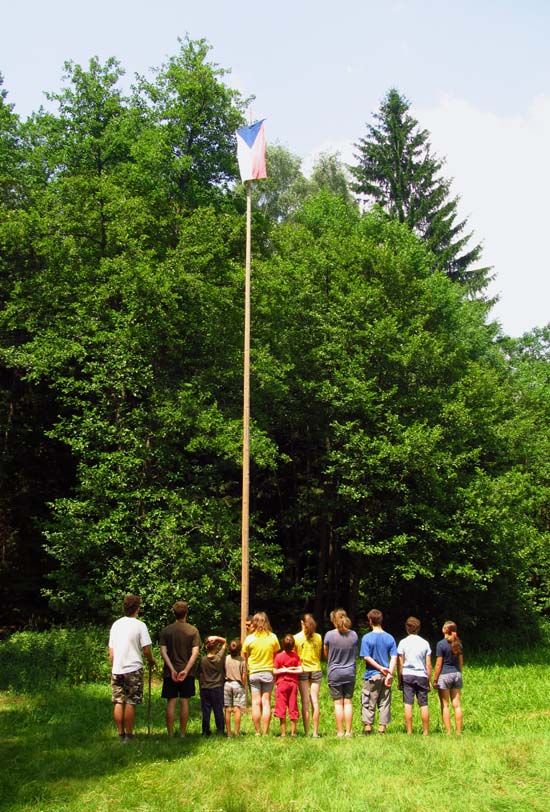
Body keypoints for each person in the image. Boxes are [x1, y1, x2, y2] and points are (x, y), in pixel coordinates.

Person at [108, 594, 155, 741]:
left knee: (118, 701)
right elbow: (146, 649)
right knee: (130, 701)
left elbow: (111, 652)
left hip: (117, 668)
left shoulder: (116, 625)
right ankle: (129, 735)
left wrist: (114, 664)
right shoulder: (140, 625)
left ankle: (120, 734)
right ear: (137, 608)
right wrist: (151, 661)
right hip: (133, 668)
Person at [159, 600, 201, 737]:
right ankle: (183, 734)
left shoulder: (166, 630)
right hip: (186, 673)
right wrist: (186, 670)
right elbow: (195, 653)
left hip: (170, 673)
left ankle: (170, 734)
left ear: (173, 613)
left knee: (171, 701)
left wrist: (171, 669)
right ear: (186, 612)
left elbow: (163, 652)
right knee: (184, 701)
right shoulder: (193, 630)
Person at [359, 608, 398, 734]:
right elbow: (394, 657)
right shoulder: (390, 638)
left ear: (370, 621)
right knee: (384, 702)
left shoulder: (366, 638)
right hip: (385, 676)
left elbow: (366, 657)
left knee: (368, 700)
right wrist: (389, 673)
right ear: (381, 620)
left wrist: (379, 668)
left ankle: (368, 727)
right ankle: (382, 728)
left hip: (371, 675)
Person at [242, 611, 280, 735]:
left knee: (255, 703)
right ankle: (266, 731)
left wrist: (249, 666)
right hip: (268, 672)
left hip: (253, 673)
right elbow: (276, 655)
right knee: (266, 702)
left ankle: (257, 731)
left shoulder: (249, 639)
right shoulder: (273, 637)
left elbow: (245, 656)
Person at [323, 608, 358, 738]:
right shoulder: (354, 635)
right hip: (350, 672)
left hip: (335, 672)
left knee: (338, 703)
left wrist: (331, 661)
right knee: (348, 702)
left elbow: (326, 652)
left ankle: (340, 732)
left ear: (334, 620)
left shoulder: (329, 635)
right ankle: (348, 732)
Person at [397, 616, 432, 735]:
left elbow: (400, 662)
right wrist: (429, 680)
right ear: (418, 628)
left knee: (408, 703)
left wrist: (399, 679)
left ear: (407, 628)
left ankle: (409, 731)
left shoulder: (403, 642)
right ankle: (426, 732)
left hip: (407, 674)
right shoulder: (425, 643)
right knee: (424, 703)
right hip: (421, 675)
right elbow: (428, 664)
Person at [294, 613, 323, 737]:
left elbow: (295, 656)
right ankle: (315, 732)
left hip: (303, 670)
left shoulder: (296, 638)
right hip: (316, 669)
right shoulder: (318, 637)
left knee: (305, 701)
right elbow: (319, 654)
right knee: (314, 701)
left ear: (301, 623)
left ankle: (306, 732)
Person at [433, 620, 463, 735]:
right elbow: (461, 662)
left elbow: (439, 664)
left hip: (444, 675)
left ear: (445, 630)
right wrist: (459, 673)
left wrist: (435, 679)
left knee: (445, 705)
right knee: (457, 705)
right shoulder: (459, 644)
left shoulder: (441, 644)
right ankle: (459, 732)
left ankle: (448, 732)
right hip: (456, 674)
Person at [273, 634, 303, 737]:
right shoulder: (295, 656)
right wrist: (292, 669)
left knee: (281, 707)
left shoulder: (279, 656)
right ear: (293, 645)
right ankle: (293, 733)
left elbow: (274, 671)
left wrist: (284, 670)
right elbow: (301, 669)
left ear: (283, 644)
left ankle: (283, 733)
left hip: (281, 684)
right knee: (293, 706)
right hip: (293, 684)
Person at [198, 635, 227, 736]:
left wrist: (200, 688)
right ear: (216, 647)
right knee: (218, 710)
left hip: (205, 688)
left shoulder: (202, 660)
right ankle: (220, 731)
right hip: (217, 687)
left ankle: (205, 731)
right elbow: (225, 642)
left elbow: (200, 675)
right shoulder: (219, 658)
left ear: (206, 647)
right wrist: (217, 638)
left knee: (206, 711)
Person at [224, 639, 247, 737]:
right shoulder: (242, 660)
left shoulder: (226, 658)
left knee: (227, 709)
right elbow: (244, 675)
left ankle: (229, 733)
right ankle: (237, 733)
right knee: (237, 708)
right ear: (239, 650)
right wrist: (243, 685)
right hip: (238, 684)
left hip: (227, 684)